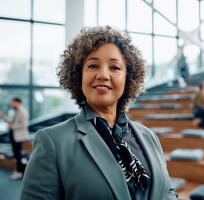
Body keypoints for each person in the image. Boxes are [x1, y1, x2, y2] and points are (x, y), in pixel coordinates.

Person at [20, 26, 178, 200]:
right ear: (79, 76)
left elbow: (168, 191)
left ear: (128, 77)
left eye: (115, 67)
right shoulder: (53, 142)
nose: (103, 74)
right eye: (93, 65)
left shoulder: (149, 137)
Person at [0, 98, 29, 180]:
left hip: (19, 136)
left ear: (17, 102)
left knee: (18, 154)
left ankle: (19, 172)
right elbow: (12, 123)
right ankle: (17, 169)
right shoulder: (17, 112)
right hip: (14, 135)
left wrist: (12, 126)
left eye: (13, 102)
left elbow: (24, 125)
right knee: (16, 154)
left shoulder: (23, 112)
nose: (12, 104)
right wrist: (4, 117)